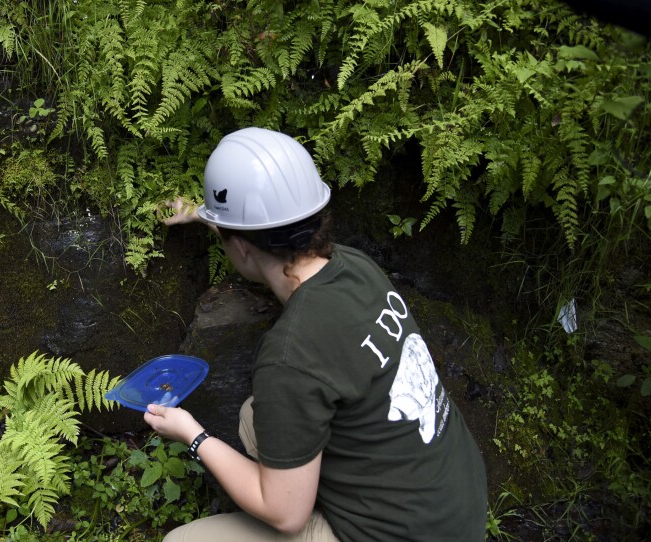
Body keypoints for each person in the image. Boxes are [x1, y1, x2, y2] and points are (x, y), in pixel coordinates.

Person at [143, 127, 488, 541]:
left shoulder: (289, 357)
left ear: (243, 248)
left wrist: (192, 433)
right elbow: (260, 235)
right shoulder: (355, 268)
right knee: (256, 417)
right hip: (454, 507)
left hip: (399, 535)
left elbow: (285, 516)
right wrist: (203, 214)